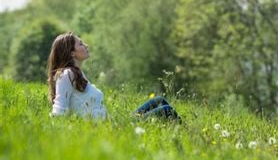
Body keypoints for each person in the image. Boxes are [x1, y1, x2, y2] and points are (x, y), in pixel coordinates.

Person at [47, 32, 180, 121]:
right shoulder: (66, 75)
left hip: (113, 122)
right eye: (81, 44)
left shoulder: (78, 74)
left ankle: (187, 136)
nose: (86, 45)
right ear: (71, 53)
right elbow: (59, 108)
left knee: (159, 100)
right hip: (108, 128)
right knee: (166, 110)